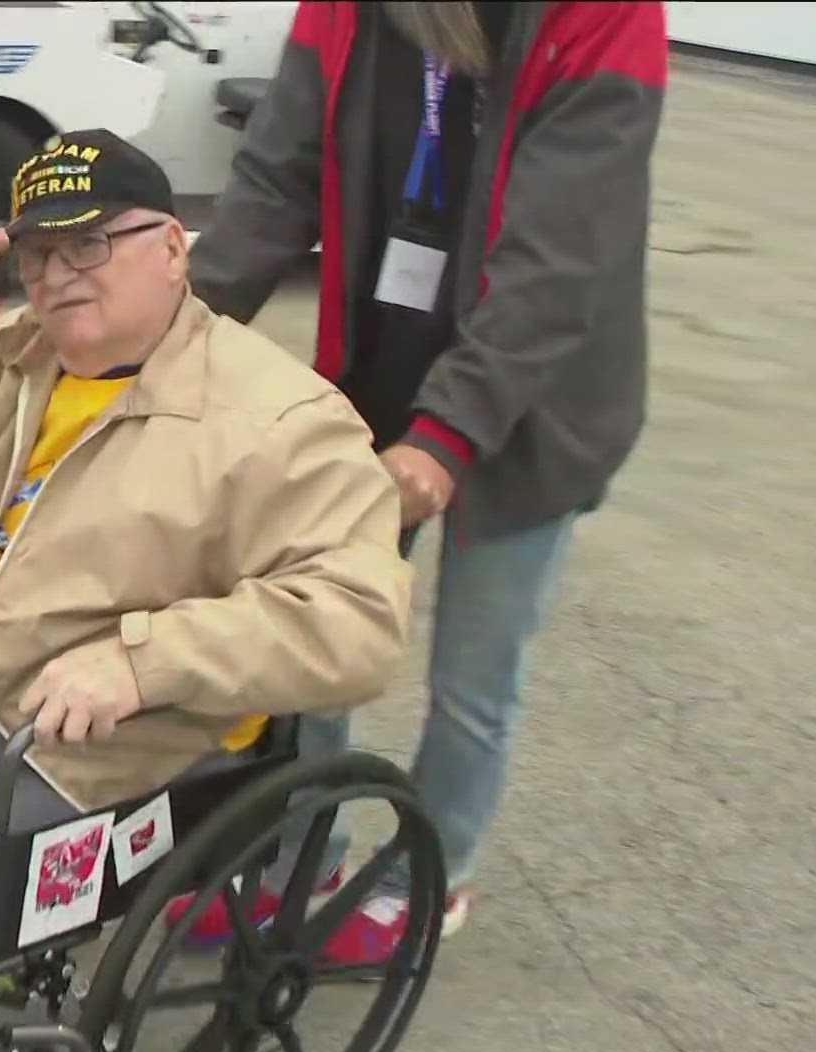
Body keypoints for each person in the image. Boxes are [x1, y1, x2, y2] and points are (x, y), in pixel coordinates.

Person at [0, 128, 415, 931]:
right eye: (36, 257)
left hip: (94, 748)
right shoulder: (0, 357)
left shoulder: (282, 416)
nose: (57, 278)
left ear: (172, 247)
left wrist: (144, 660)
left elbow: (358, 620)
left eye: (90, 245)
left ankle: (18, 986)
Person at [172, 1, 668, 963]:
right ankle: (294, 857)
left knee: (473, 682)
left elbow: (556, 263)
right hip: (379, 374)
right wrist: (161, 338)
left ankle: (428, 882)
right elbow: (276, 179)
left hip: (534, 404)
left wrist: (446, 438)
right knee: (307, 636)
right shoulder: (349, 10)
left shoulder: (605, 14)